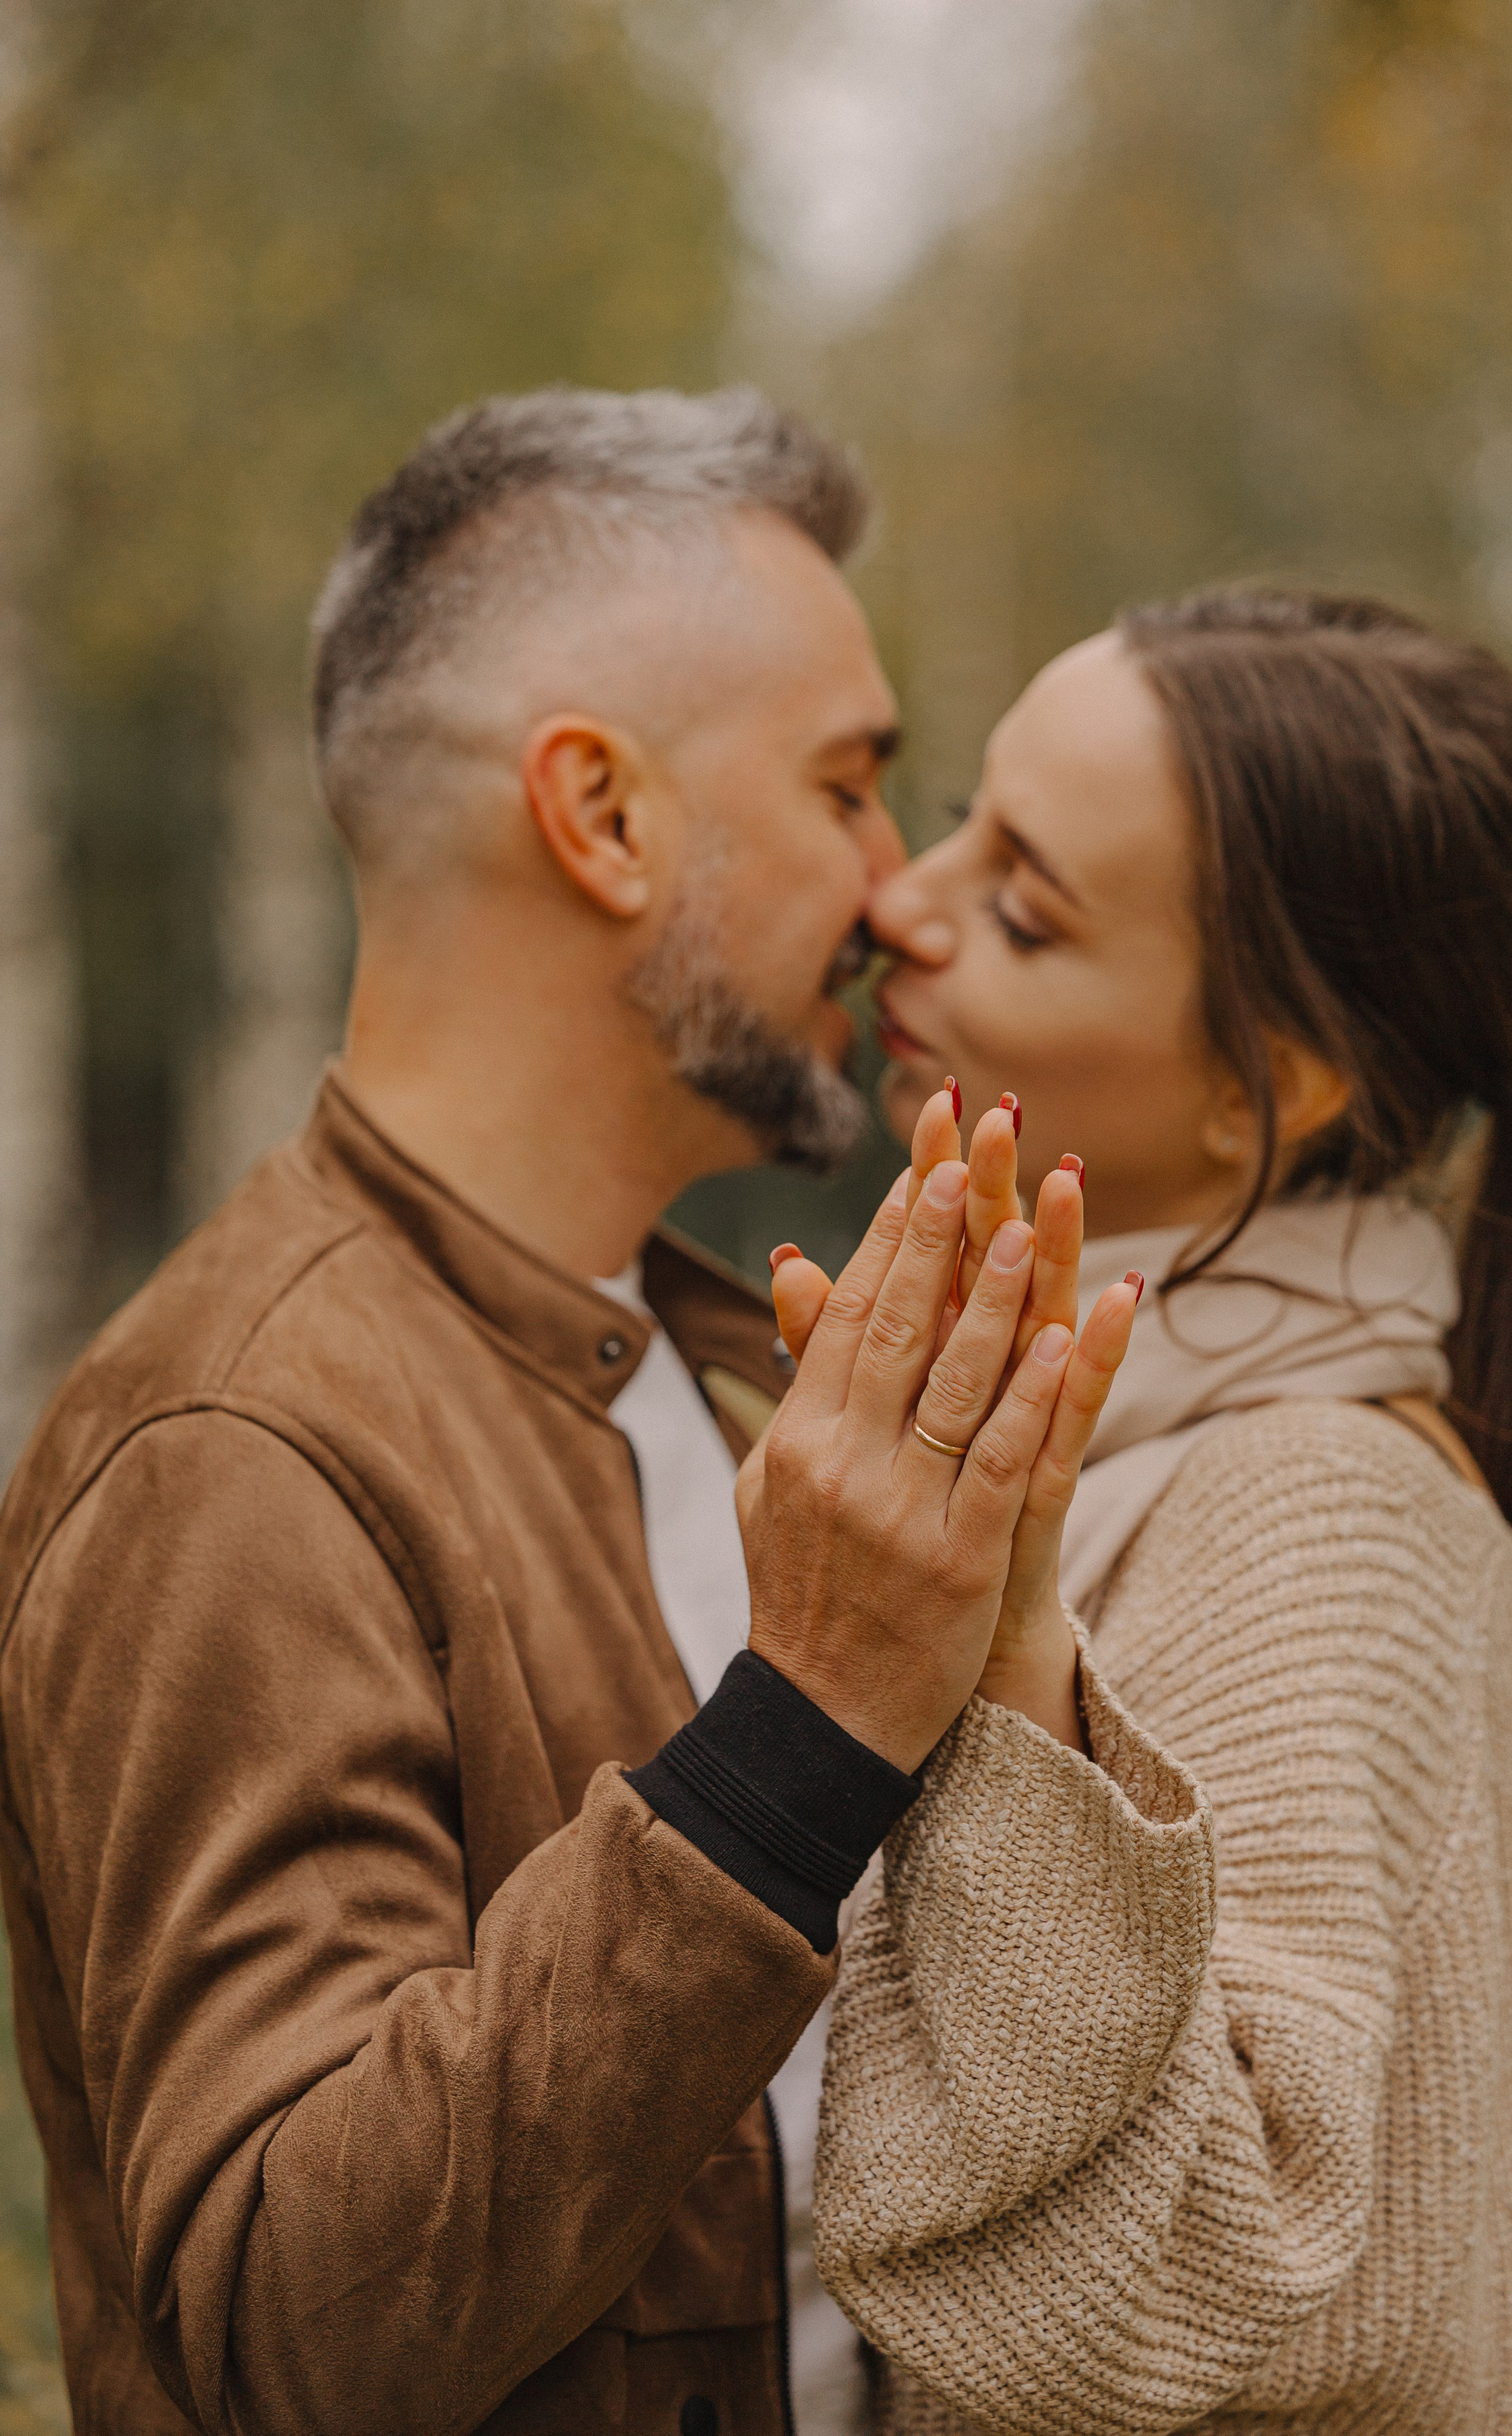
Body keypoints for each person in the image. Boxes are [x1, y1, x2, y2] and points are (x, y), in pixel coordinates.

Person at [0, 386, 1137, 2436]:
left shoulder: (716, 1365)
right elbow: (287, 2333)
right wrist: (803, 1738)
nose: (896, 892)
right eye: (850, 785)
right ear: (600, 815)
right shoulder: (235, 1454)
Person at [795, 588, 1512, 2432]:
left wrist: (1005, 1665)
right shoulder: (1199, 1444)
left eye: (1023, 905)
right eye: (958, 817)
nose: (899, 907)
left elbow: (1174, 2271)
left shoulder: (1312, 1506)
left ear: (1284, 1090)